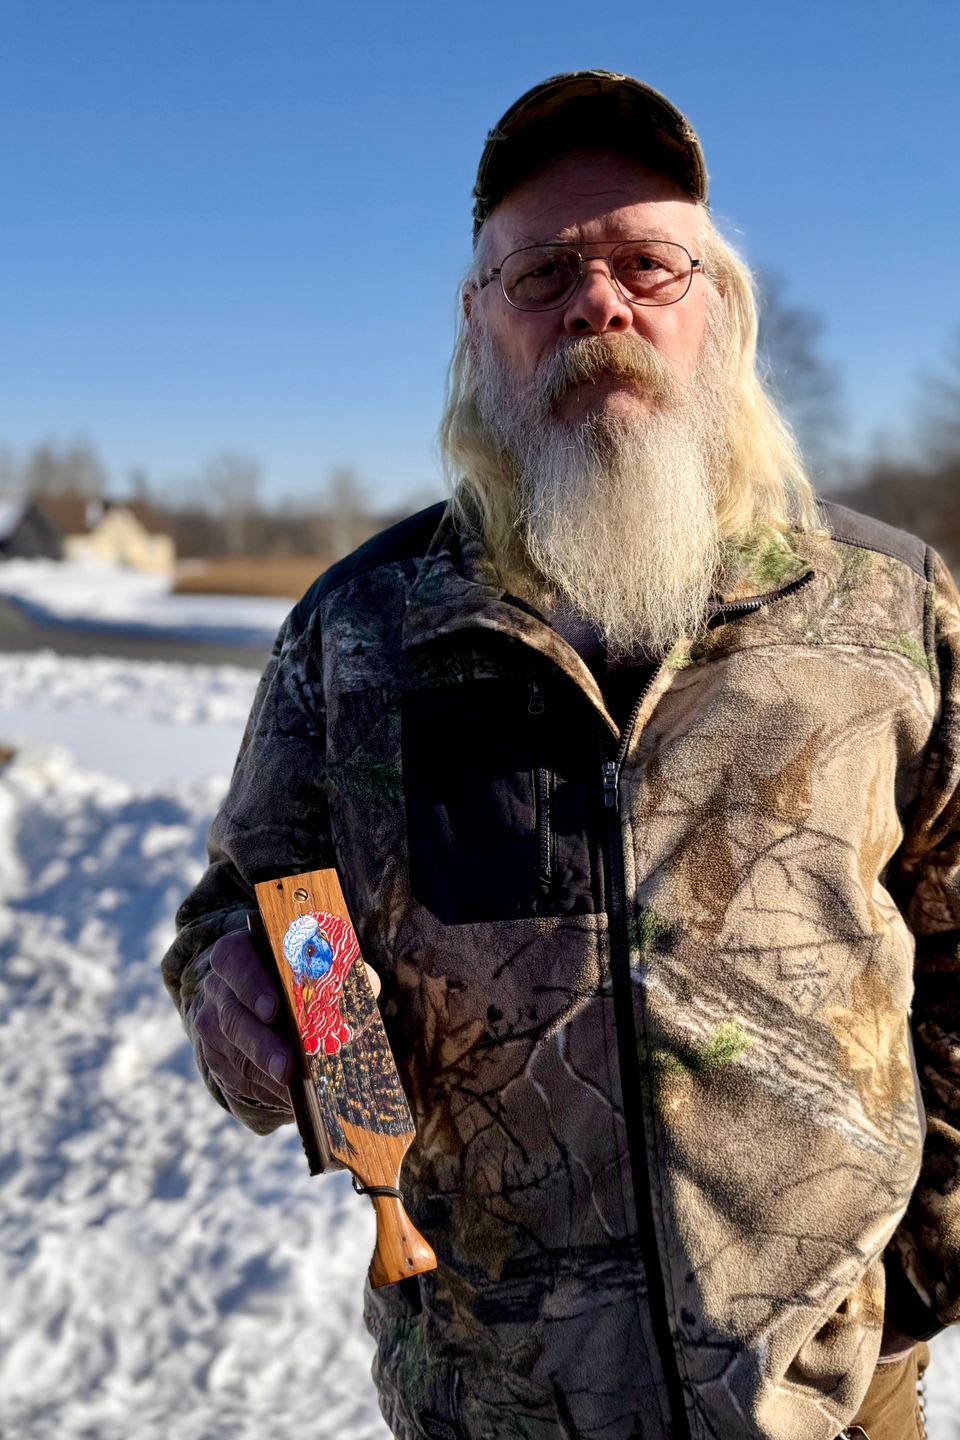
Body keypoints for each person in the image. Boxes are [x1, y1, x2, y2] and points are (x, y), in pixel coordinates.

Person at [162, 71, 957, 1440]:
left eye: (651, 264)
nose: (601, 306)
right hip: (494, 1397)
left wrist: (919, 1267)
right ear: (480, 330)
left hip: (832, 1397)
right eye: (540, 275)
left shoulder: (895, 612)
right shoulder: (360, 630)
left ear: (724, 311)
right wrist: (237, 992)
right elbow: (238, 912)